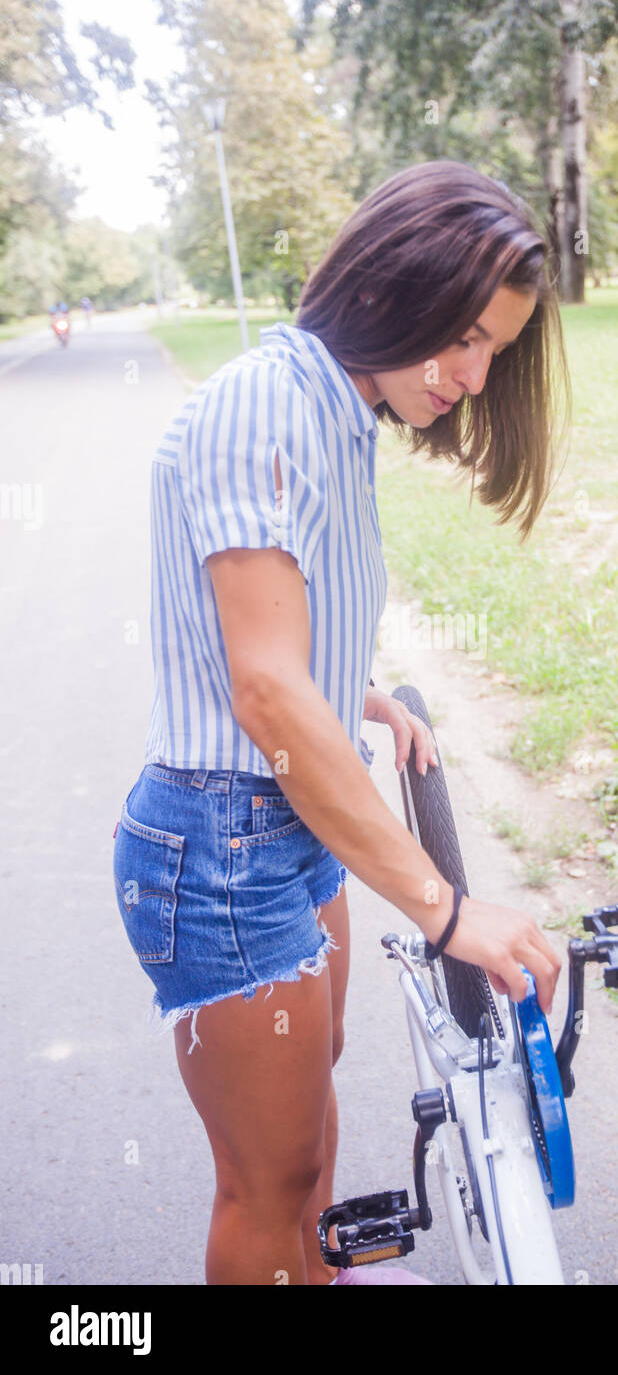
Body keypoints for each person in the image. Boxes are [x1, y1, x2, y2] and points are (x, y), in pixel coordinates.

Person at [111, 159, 571, 1287]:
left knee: (311, 1120)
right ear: (388, 284)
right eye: (460, 336)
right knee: (264, 1185)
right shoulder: (266, 404)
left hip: (285, 823)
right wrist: (444, 906)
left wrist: (348, 684)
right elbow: (264, 694)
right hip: (222, 848)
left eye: (493, 351)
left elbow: (262, 637)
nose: (469, 375)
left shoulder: (337, 407)